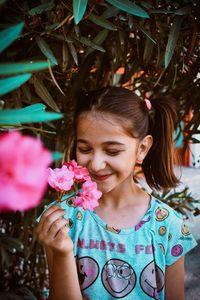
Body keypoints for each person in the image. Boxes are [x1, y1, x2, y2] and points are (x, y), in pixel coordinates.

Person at [36, 87, 197, 300]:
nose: (96, 163)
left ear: (142, 149)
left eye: (112, 151)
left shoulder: (168, 227)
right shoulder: (64, 219)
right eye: (85, 149)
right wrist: (63, 253)